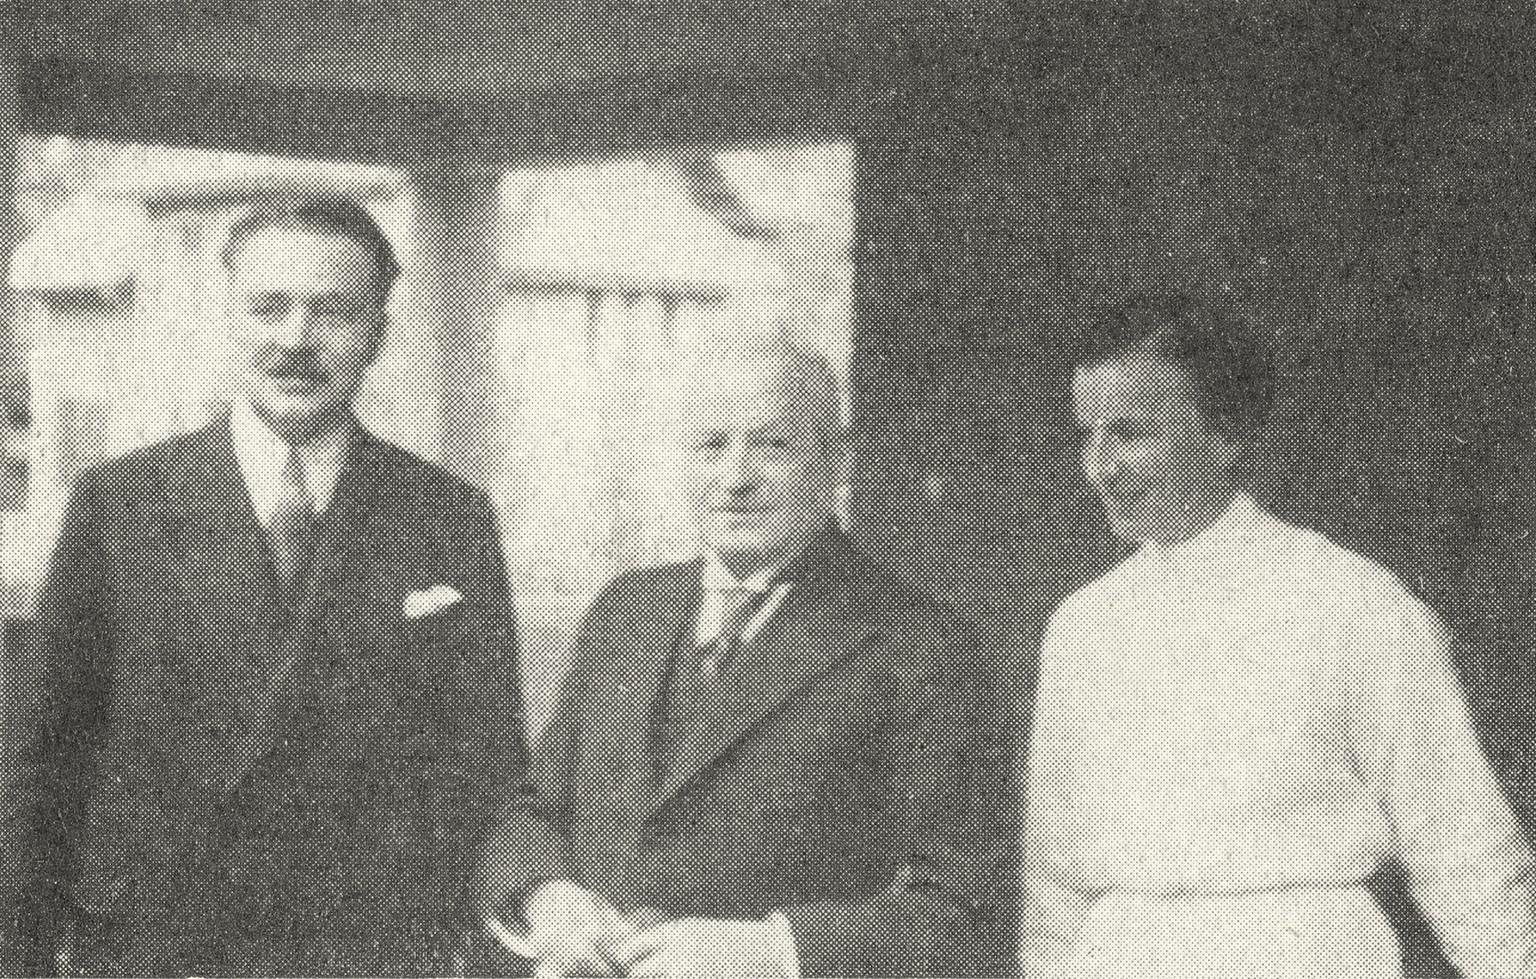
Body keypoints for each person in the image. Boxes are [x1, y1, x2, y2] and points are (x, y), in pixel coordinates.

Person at [0, 197, 524, 975]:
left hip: (362, 955)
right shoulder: (121, 505)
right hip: (158, 949)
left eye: (334, 312)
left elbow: (485, 767)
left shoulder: (447, 517)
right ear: (228, 319)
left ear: (379, 334)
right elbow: (43, 761)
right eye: (269, 307)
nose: (295, 340)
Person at [1020, 295, 1536, 978]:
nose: (1100, 466)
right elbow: (1054, 883)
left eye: (1131, 433)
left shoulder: (1353, 604)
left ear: (1224, 434)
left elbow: (1461, 842)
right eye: (1088, 435)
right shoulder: (1081, 628)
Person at [476, 329, 1012, 977]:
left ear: (835, 463)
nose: (734, 478)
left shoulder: (922, 644)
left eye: (771, 445)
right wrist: (545, 894)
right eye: (712, 446)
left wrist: (774, 951)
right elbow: (532, 810)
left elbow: (960, 904)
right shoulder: (627, 609)